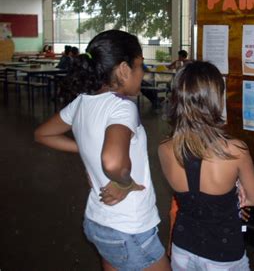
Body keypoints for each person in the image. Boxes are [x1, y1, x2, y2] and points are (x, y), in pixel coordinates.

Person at [34, 30, 170, 271]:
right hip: (130, 227)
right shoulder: (122, 108)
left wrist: (87, 148)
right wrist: (125, 181)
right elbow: (112, 161)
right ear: (124, 69)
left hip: (99, 222)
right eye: (140, 66)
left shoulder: (82, 102)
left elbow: (43, 134)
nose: (143, 73)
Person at [158, 61, 254, 270]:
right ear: (215, 100)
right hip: (222, 252)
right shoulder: (234, 150)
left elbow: (192, 189)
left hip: (183, 246)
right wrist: (237, 189)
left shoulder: (164, 148)